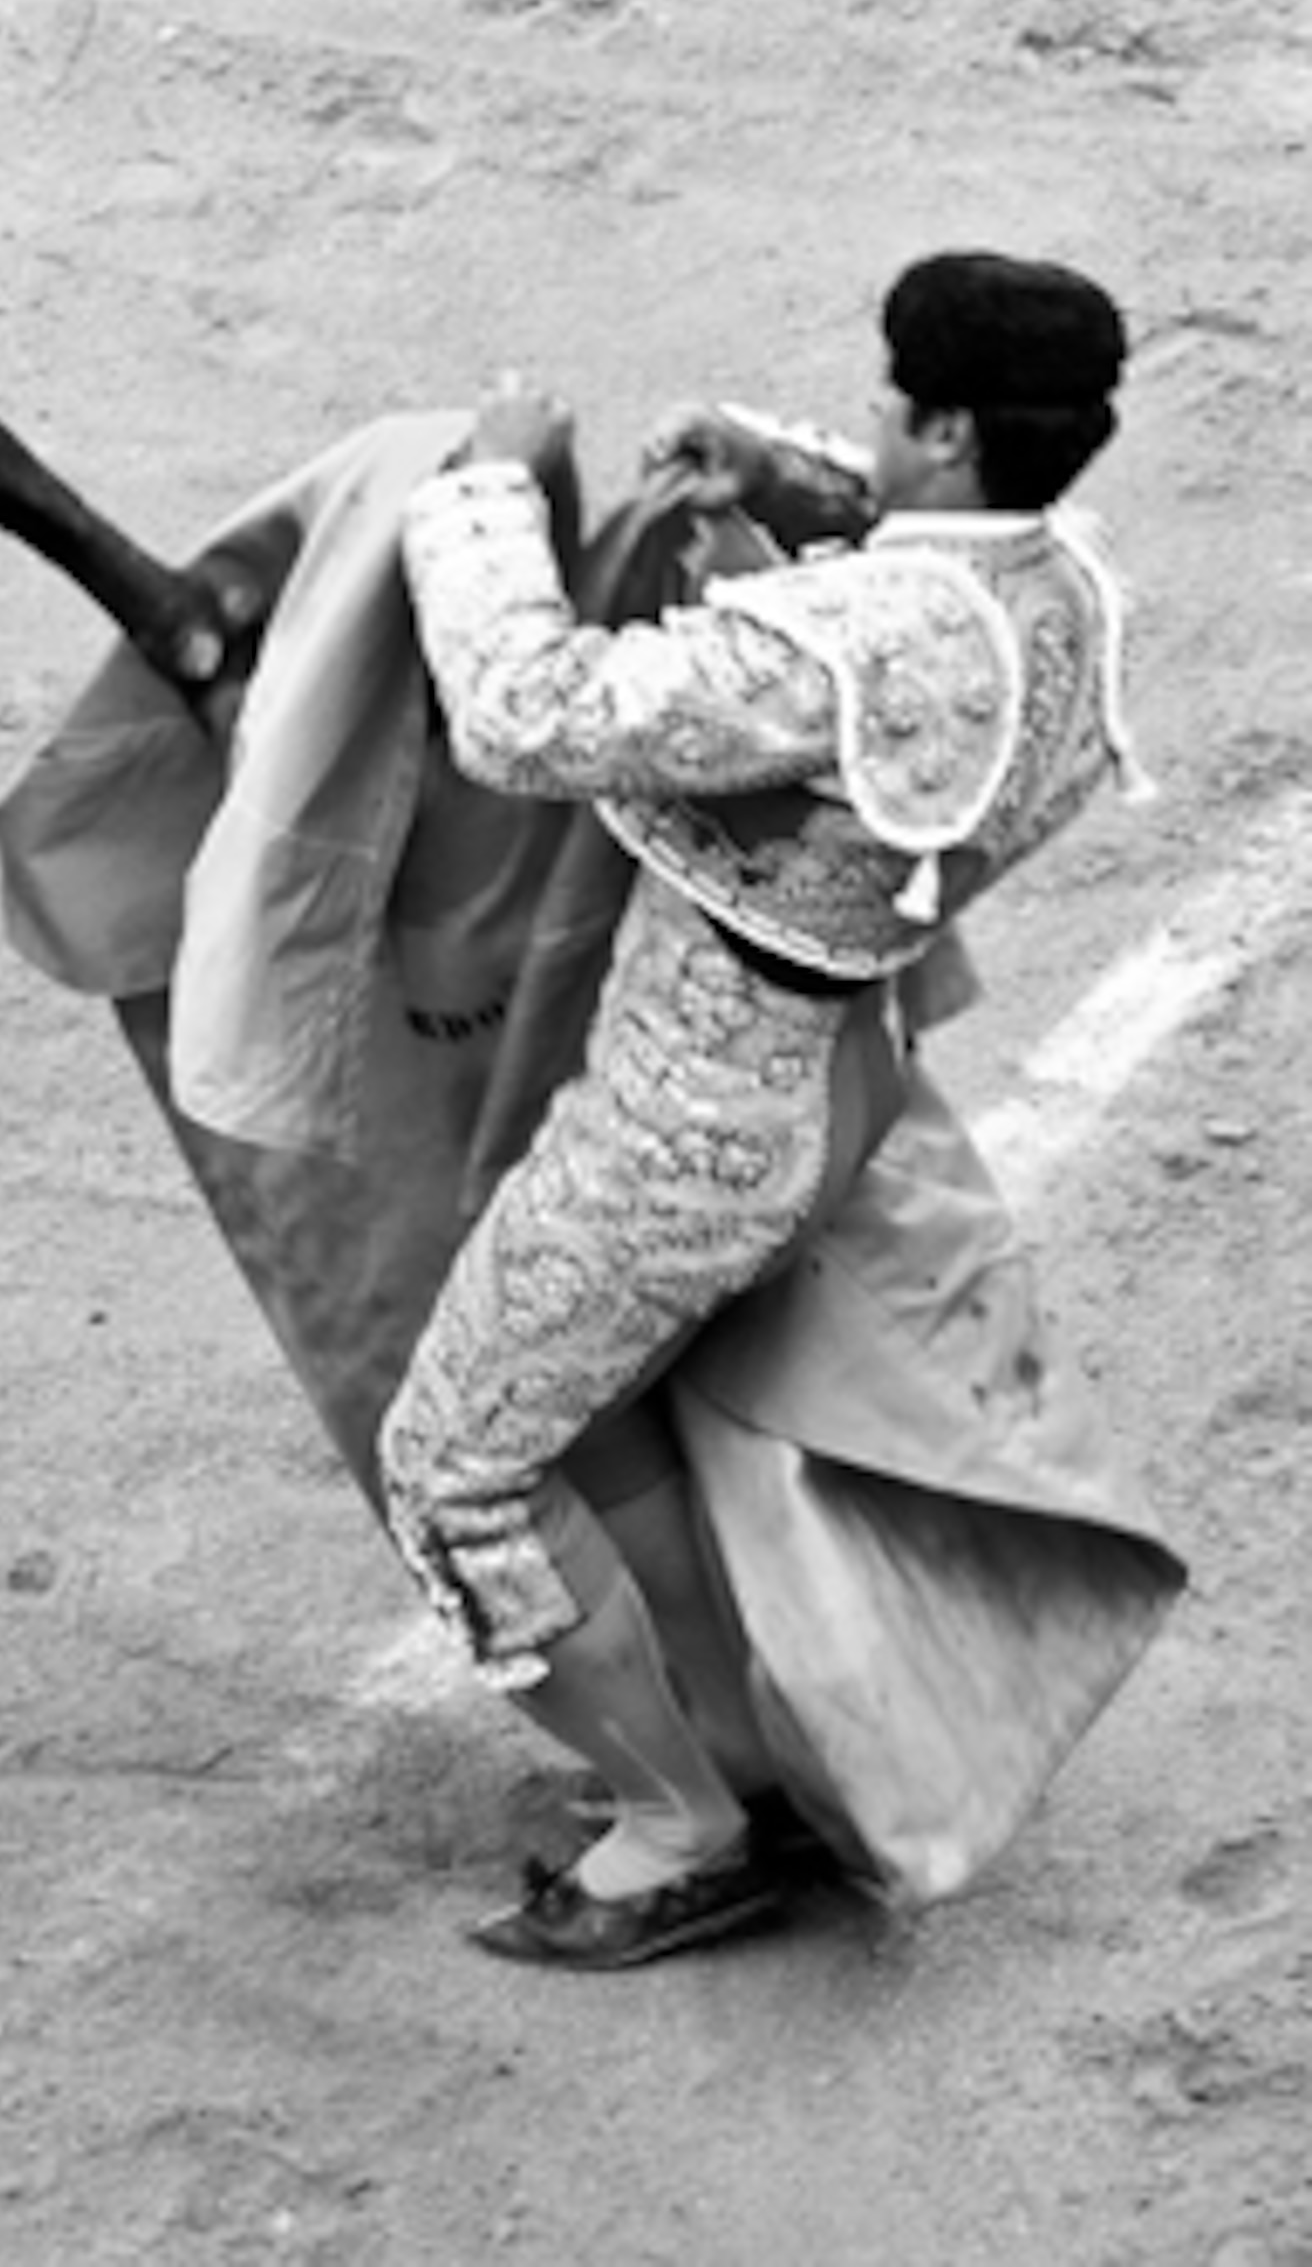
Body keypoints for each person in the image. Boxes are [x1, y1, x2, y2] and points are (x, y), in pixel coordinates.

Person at [378, 249, 1142, 1967]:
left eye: (887, 401)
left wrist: (488, 489)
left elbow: (525, 712)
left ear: (945, 425)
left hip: (685, 1133)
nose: (864, 417)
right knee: (616, 1407)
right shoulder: (1065, 586)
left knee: (451, 1472)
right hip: (828, 1077)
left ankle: (680, 1826)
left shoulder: (840, 644)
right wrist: (787, 478)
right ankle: (735, 1744)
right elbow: (903, 577)